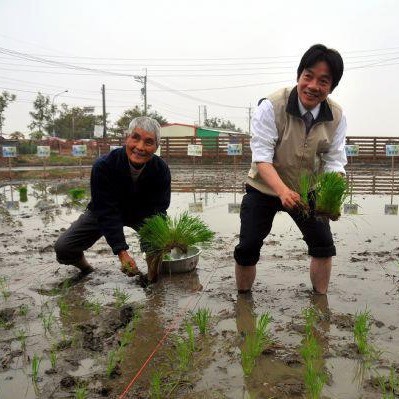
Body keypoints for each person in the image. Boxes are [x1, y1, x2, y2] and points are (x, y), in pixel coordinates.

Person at [234, 44, 346, 295]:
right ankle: (243, 300)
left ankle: (320, 300)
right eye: (308, 76)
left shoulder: (336, 116)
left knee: (323, 245)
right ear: (299, 76)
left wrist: (333, 194)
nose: (313, 86)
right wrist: (282, 191)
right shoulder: (272, 106)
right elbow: (262, 157)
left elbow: (335, 160)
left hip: (307, 188)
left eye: (323, 81)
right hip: (264, 186)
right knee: (248, 246)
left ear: (331, 87)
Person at [54, 116, 171, 281]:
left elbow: (159, 211)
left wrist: (155, 243)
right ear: (126, 139)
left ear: (156, 147)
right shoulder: (104, 166)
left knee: (159, 239)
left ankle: (151, 278)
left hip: (142, 213)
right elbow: (106, 211)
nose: (140, 147)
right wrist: (121, 252)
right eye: (135, 138)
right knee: (64, 247)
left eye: (149, 142)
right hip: (103, 210)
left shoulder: (161, 170)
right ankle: (86, 269)